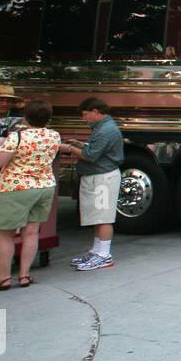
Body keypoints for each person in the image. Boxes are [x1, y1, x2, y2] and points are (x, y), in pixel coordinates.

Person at [0, 100, 60, 293]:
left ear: (25, 117)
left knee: (5, 234)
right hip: (45, 185)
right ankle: (24, 275)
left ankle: (3, 277)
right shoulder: (54, 135)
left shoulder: (18, 137)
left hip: (17, 187)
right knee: (31, 232)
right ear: (48, 118)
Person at [58, 97, 124, 271]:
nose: (84, 118)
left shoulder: (106, 130)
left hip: (103, 178)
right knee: (97, 217)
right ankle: (96, 251)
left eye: (85, 114)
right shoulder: (104, 128)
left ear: (95, 111)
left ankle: (104, 255)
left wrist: (70, 149)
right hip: (98, 176)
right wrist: (80, 145)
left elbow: (90, 155)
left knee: (103, 217)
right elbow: (95, 150)